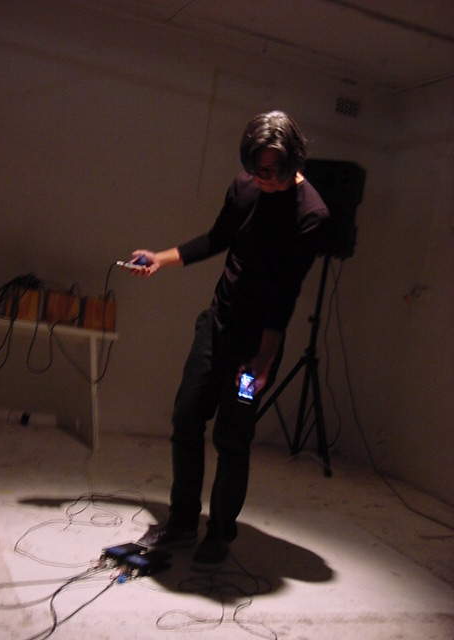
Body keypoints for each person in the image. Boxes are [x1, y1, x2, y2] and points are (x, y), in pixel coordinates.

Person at [129, 110, 330, 569]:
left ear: (293, 160)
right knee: (186, 419)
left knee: (232, 438)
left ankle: (219, 533)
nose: (262, 178)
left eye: (271, 170)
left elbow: (286, 293)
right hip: (217, 325)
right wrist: (160, 258)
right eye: (256, 168)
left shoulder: (312, 214)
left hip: (258, 343)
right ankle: (183, 522)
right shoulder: (245, 187)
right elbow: (217, 238)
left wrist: (264, 360)